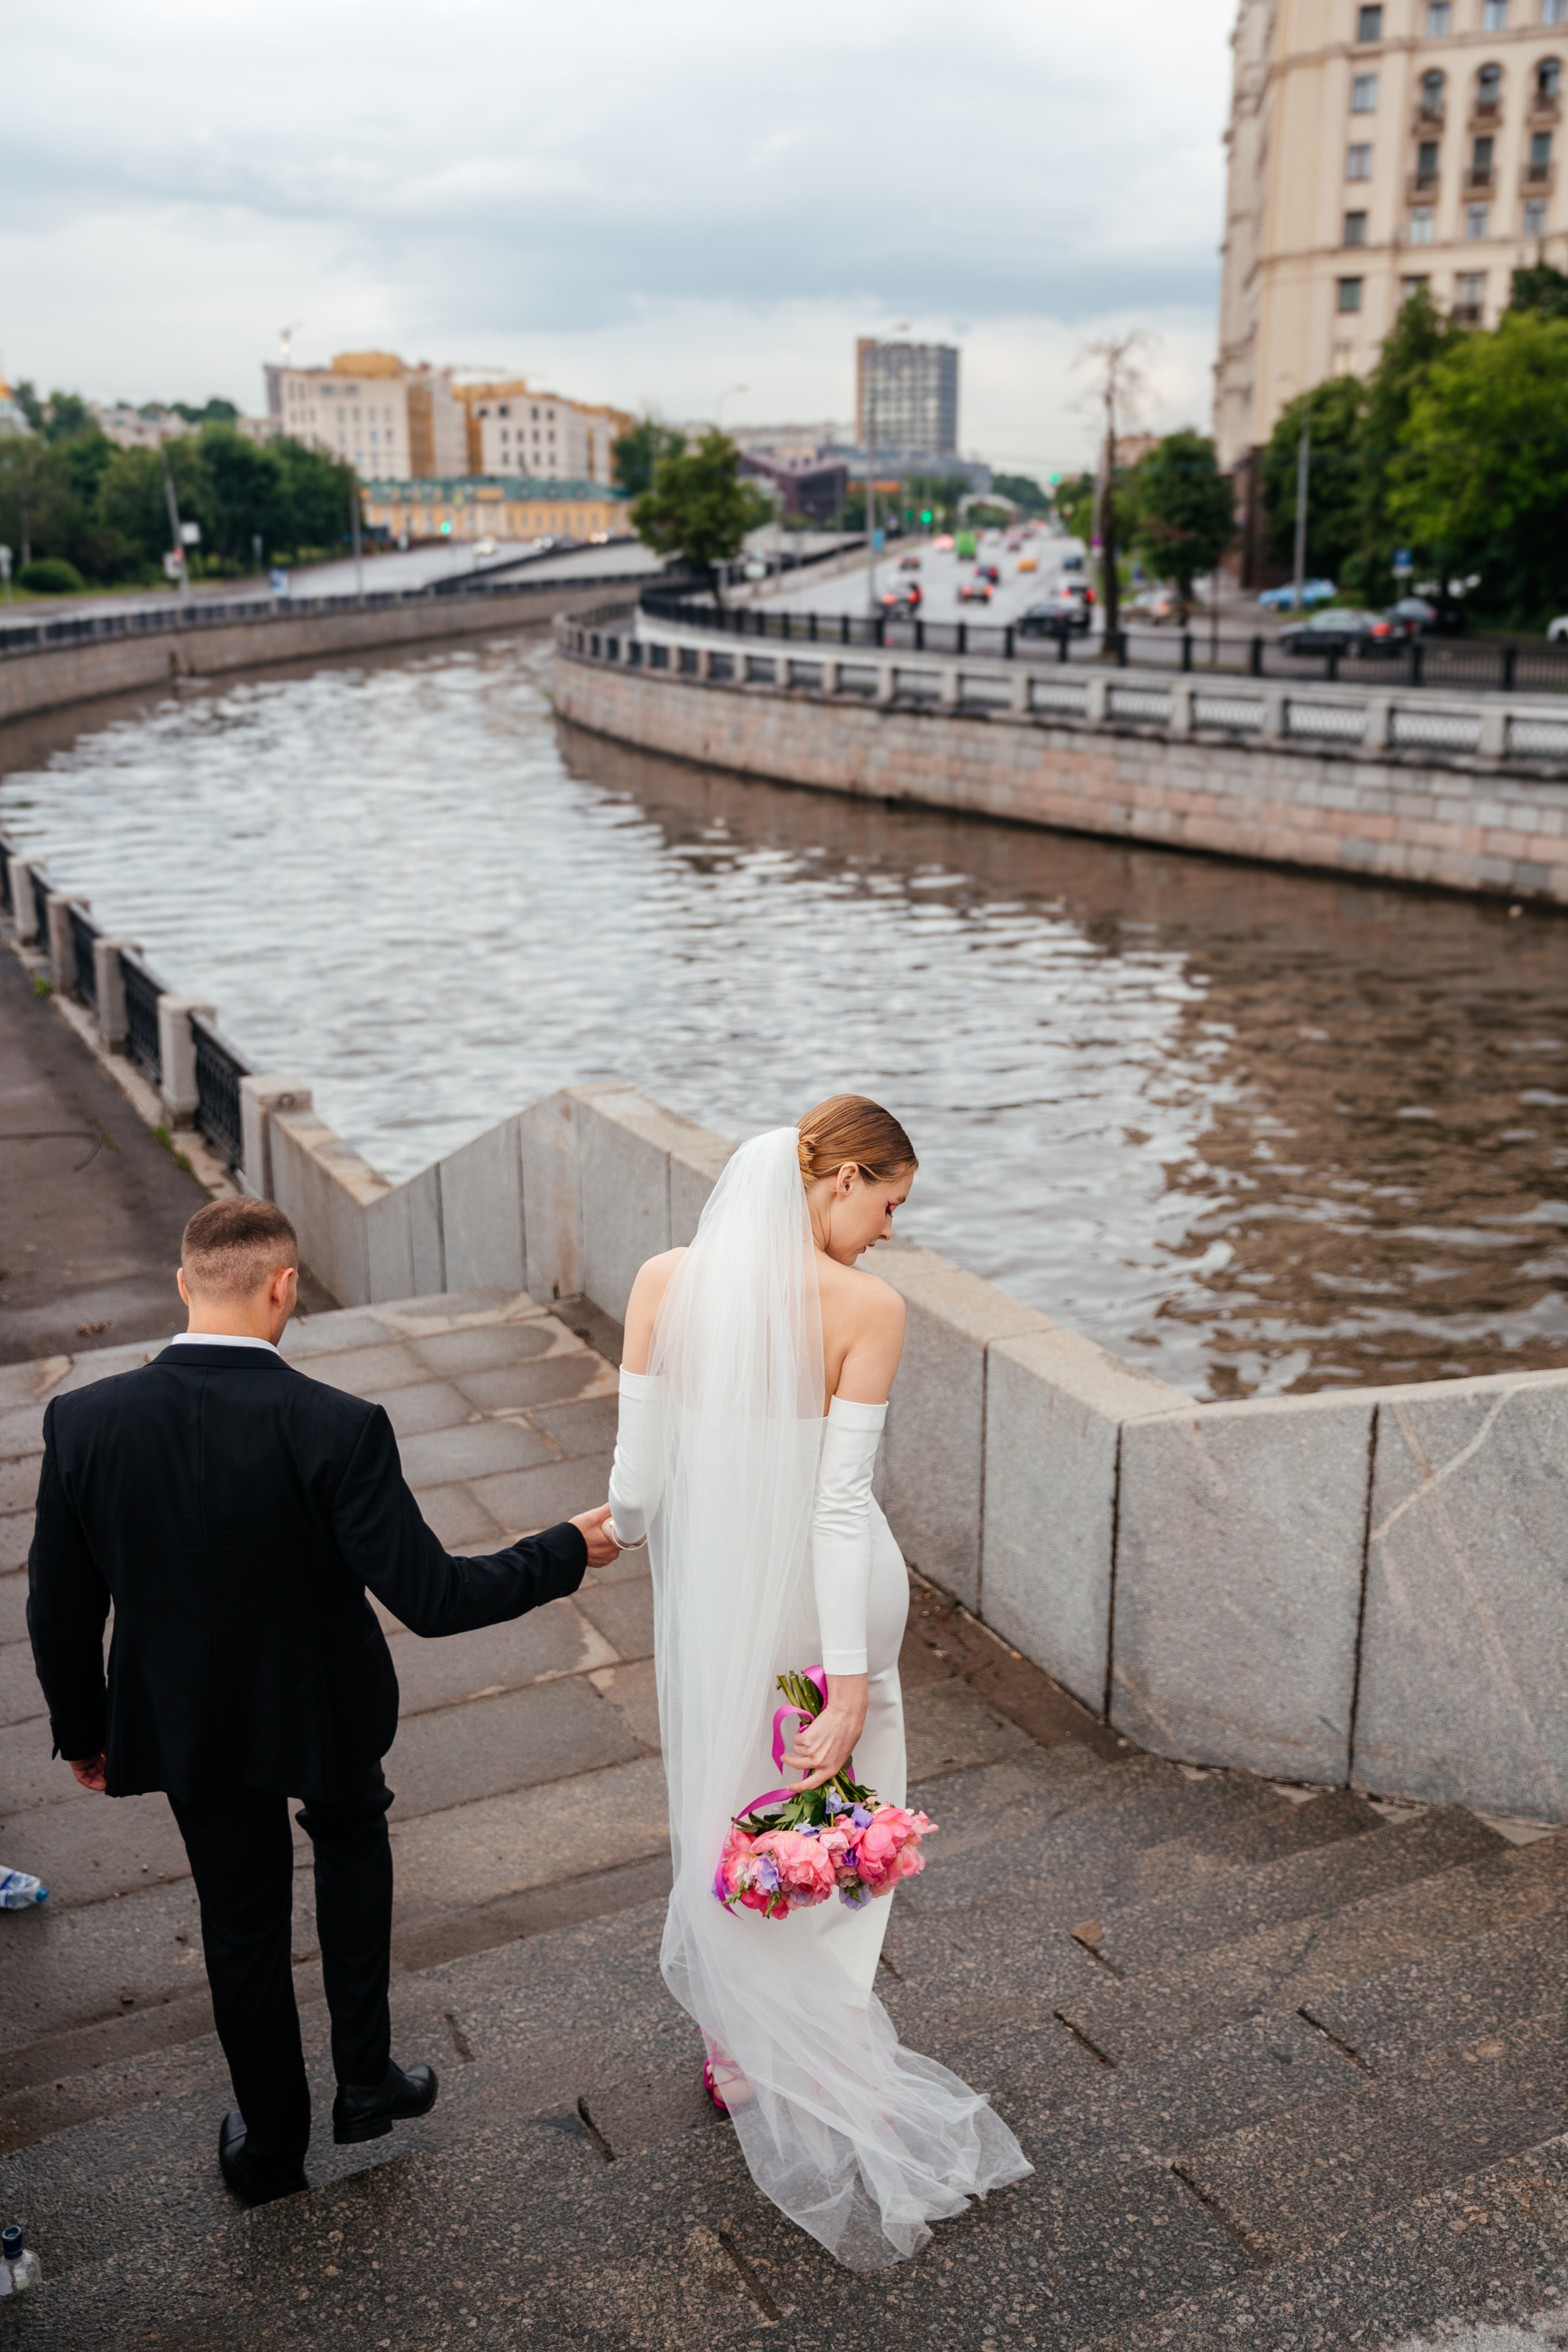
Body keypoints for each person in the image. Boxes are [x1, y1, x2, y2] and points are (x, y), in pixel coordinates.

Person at [26, 1197, 620, 2207]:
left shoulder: (83, 1420)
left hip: (187, 1722)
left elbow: (59, 1604)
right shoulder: (339, 1425)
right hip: (326, 1709)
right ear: (285, 1287)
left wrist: (85, 1731)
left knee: (241, 1928)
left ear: (184, 1284)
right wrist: (565, 1548)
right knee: (351, 1844)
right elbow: (433, 1599)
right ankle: (366, 2081)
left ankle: (273, 2150)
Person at [604, 1096, 1030, 2269]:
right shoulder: (866, 1309)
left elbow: (635, 1487)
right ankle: (817, 2032)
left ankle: (738, 2047)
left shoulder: (662, 1282)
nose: (890, 1230)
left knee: (729, 1799)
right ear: (841, 1180)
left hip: (719, 1595)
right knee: (840, 1821)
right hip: (831, 1607)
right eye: (889, 1202)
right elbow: (840, 1508)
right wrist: (846, 1685)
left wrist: (616, 1532)